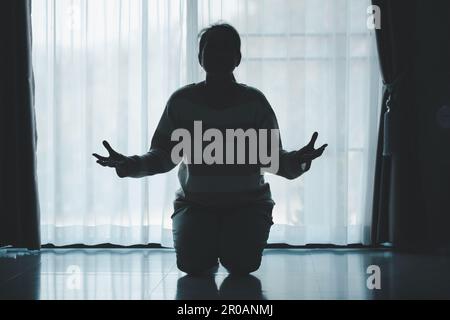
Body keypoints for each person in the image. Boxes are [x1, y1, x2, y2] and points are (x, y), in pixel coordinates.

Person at [93, 23, 327, 276]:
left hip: (248, 205)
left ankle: (223, 238)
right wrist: (130, 164)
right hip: (196, 206)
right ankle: (211, 238)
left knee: (242, 266)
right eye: (210, 48)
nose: (217, 53)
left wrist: (299, 162)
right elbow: (162, 155)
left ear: (237, 58)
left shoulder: (254, 103)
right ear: (199, 57)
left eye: (225, 48)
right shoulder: (182, 102)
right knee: (192, 266)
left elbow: (272, 158)